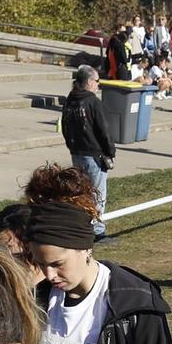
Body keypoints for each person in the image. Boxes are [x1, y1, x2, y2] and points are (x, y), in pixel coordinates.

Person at [20, 167, 172, 344]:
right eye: (41, 264)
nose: (49, 275)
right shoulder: (36, 298)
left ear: (85, 248)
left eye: (58, 264)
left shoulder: (137, 306)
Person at [61, 66, 116, 229]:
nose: (98, 85)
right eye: (97, 81)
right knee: (97, 194)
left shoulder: (71, 100)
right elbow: (104, 130)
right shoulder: (92, 102)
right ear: (90, 82)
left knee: (81, 192)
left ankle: (81, 225)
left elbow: (65, 126)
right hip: (94, 155)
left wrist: (71, 146)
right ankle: (97, 230)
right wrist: (110, 151)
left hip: (77, 153)